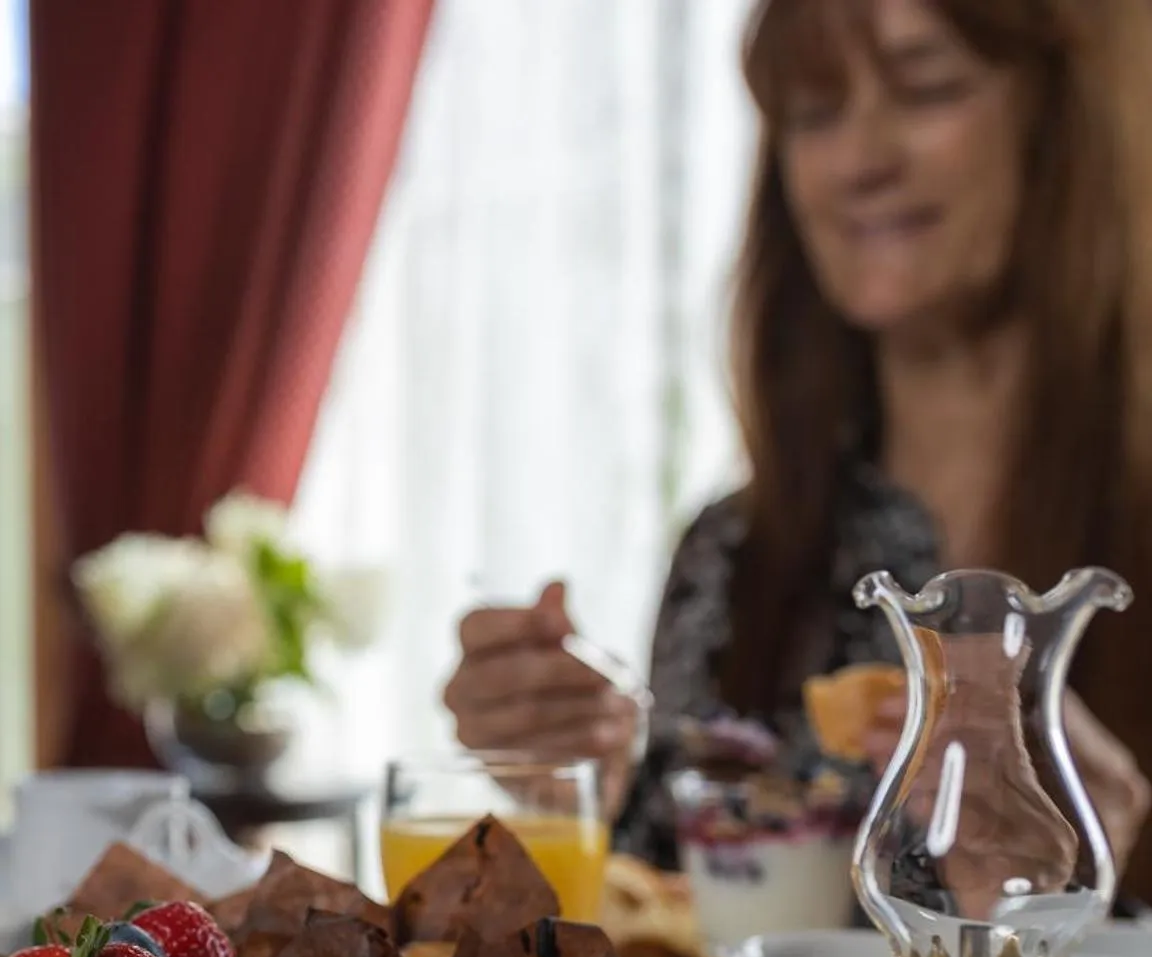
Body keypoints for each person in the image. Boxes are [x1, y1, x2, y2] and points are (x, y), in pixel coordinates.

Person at [444, 0, 1152, 901]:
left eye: (926, 88)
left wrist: (1098, 905)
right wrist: (582, 786)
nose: (860, 160)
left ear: (1063, 121)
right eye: (815, 114)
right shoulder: (734, 555)